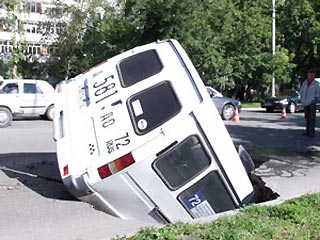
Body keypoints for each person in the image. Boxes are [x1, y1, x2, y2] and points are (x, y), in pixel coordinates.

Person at [299, 69, 320, 137]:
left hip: (312, 101)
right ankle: (307, 130)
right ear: (307, 75)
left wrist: (315, 99)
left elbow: (318, 92)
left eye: (312, 75)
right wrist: (301, 97)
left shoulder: (316, 83)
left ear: (314, 75)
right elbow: (301, 90)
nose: (310, 76)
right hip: (305, 101)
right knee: (307, 117)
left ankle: (312, 131)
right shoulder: (305, 82)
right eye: (309, 75)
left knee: (312, 117)